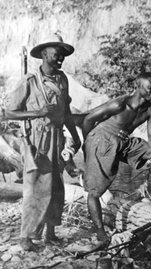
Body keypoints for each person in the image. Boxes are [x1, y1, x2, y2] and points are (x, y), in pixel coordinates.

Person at [4, 33, 81, 251]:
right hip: (37, 142)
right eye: (57, 54)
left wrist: (74, 138)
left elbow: (66, 112)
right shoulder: (30, 81)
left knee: (56, 186)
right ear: (44, 54)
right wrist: (37, 112)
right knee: (35, 187)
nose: (61, 59)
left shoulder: (62, 79)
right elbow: (8, 113)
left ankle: (51, 232)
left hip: (57, 138)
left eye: (63, 56)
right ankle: (26, 237)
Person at [82, 72, 151, 246]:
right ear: (137, 86)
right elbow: (88, 119)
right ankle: (100, 231)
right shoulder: (119, 104)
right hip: (102, 139)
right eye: (150, 87)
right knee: (95, 192)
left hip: (123, 141)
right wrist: (87, 144)